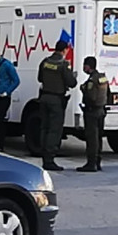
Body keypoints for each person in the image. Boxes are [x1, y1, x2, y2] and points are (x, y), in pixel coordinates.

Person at [38, 40, 77, 171]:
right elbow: (72, 83)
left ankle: (44, 155)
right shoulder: (63, 64)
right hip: (56, 99)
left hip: (44, 97)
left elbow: (39, 78)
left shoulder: (45, 61)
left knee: (44, 127)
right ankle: (49, 159)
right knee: (54, 130)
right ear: (65, 49)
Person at [77, 56, 109, 173]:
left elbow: (91, 96)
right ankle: (98, 162)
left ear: (88, 66)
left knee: (92, 138)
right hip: (101, 111)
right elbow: (108, 93)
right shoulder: (102, 78)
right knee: (99, 137)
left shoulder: (91, 80)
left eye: (84, 66)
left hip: (92, 112)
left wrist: (83, 89)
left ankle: (91, 164)